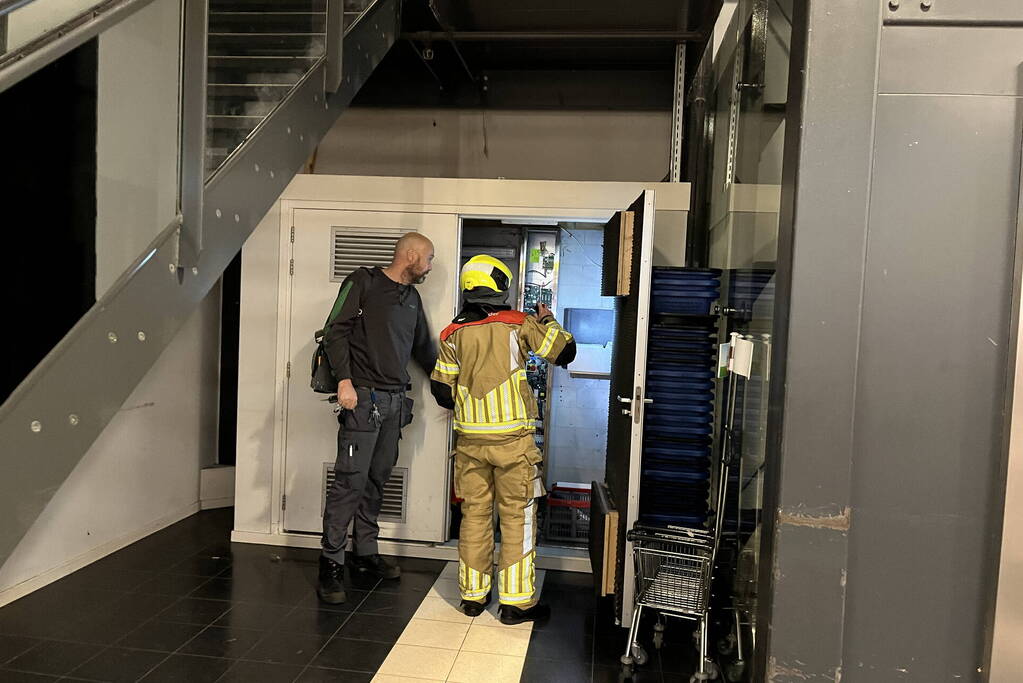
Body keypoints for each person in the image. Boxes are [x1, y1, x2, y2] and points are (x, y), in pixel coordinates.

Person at [430, 254, 576, 624]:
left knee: (474, 515)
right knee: (517, 517)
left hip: (470, 445)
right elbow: (564, 352)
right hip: (513, 445)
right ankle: (515, 604)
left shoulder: (451, 333)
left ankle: (473, 598)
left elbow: (441, 390)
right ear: (501, 286)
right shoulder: (518, 324)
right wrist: (546, 319)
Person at [317, 233, 437, 604]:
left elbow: (423, 350)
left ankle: (365, 553)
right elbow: (335, 329)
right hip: (362, 398)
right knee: (349, 483)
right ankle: (331, 563)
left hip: (395, 403)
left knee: (376, 479)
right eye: (429, 259)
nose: (430, 266)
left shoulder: (411, 299)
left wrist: (452, 387)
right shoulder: (362, 282)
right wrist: (345, 381)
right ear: (411, 255)